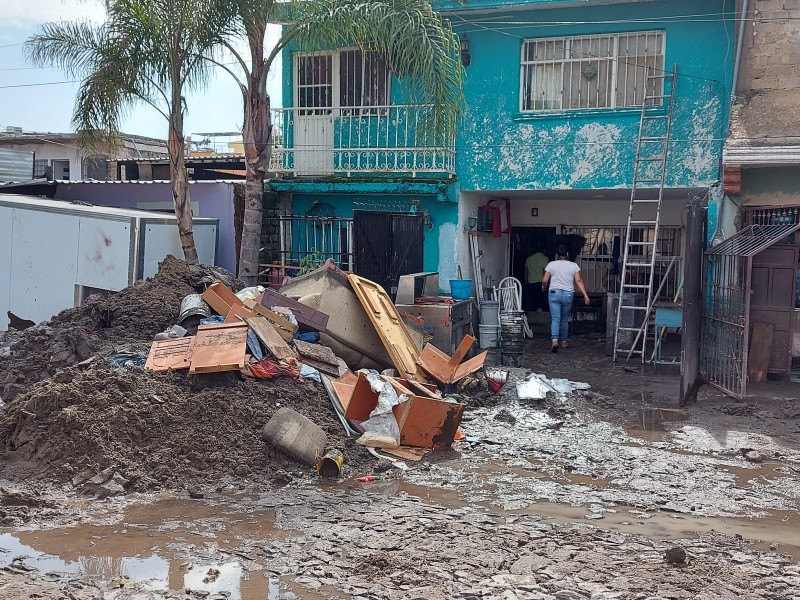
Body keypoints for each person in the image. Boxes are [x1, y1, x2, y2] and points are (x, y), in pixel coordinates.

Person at [541, 245, 590, 352]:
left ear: (556, 255)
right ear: (567, 254)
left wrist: (544, 287)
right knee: (564, 318)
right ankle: (564, 341)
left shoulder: (551, 264)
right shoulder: (574, 265)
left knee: (555, 318)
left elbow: (545, 280)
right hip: (568, 293)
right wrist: (585, 295)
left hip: (554, 293)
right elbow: (578, 280)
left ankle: (554, 340)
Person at [524, 241, 549, 311]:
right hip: (541, 282)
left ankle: (532, 317)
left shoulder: (529, 259)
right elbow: (545, 272)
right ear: (544, 250)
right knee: (541, 301)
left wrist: (525, 281)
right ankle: (540, 316)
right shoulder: (545, 259)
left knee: (533, 301)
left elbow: (526, 271)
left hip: (531, 282)